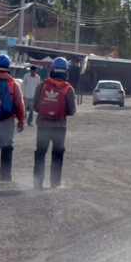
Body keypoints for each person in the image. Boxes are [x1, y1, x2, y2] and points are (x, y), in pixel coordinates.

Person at [33, 57, 76, 190]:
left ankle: (37, 182)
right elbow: (72, 111)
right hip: (59, 127)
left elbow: (35, 107)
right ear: (65, 72)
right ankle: (54, 183)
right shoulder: (68, 89)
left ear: (51, 70)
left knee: (40, 153)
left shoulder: (42, 85)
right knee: (57, 154)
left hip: (43, 126)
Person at [0, 54, 25, 184]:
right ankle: (6, 175)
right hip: (8, 120)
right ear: (8, 67)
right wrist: (21, 120)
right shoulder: (14, 84)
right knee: (7, 147)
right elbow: (19, 104)